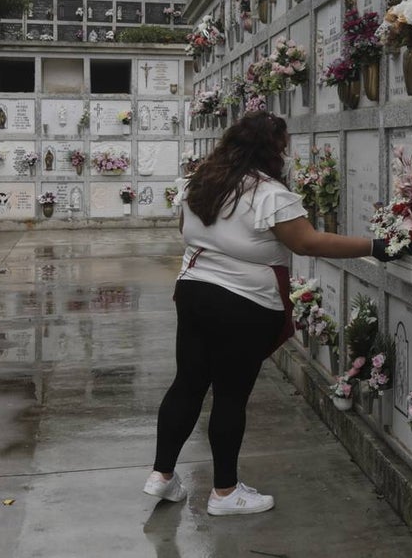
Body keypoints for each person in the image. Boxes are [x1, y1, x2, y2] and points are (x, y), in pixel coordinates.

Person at [144, 111, 394, 515]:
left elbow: (186, 232)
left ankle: (161, 475)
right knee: (229, 395)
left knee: (187, 384)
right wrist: (375, 246)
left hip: (193, 293)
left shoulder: (200, 182)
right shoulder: (268, 193)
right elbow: (307, 243)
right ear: (272, 150)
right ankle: (224, 493)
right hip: (241, 303)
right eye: (282, 146)